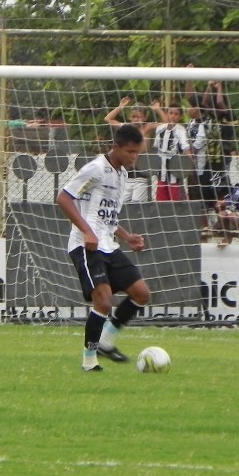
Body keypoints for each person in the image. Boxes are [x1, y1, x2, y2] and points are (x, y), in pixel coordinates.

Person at [56, 124, 151, 372]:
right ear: (116, 147)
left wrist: (127, 236)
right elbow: (63, 198)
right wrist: (87, 231)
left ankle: (106, 342)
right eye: (130, 151)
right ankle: (89, 360)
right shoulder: (96, 168)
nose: (134, 157)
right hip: (85, 245)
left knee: (141, 293)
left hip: (108, 244)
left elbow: (106, 216)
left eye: (137, 152)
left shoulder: (122, 174)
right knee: (104, 302)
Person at [104, 96, 168, 202]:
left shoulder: (148, 127)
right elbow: (108, 119)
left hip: (142, 173)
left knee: (138, 205)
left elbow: (167, 123)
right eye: (134, 117)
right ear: (130, 117)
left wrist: (157, 109)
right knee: (122, 204)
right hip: (127, 174)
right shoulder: (126, 127)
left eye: (140, 117)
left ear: (145, 118)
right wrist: (120, 107)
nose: (137, 120)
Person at [184, 93, 230, 223]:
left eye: (189, 107)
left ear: (196, 108)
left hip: (206, 168)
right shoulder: (191, 122)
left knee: (209, 199)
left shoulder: (207, 123)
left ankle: (220, 227)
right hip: (192, 167)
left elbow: (198, 144)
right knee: (195, 199)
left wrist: (186, 150)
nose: (187, 109)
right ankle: (200, 229)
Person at [153, 102, 189, 201]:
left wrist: (190, 160)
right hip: (161, 172)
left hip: (175, 172)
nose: (172, 116)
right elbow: (156, 147)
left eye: (176, 114)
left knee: (176, 202)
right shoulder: (160, 129)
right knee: (161, 203)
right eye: (170, 113)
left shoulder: (181, 130)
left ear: (180, 116)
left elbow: (185, 147)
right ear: (167, 113)